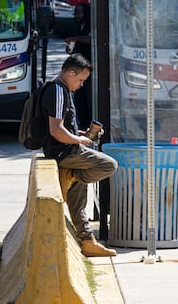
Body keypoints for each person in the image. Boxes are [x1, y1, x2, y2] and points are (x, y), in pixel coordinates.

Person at [40, 53, 118, 257]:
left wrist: (81, 133)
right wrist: (79, 141)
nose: (81, 84)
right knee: (109, 165)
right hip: (64, 152)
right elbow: (56, 130)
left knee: (78, 198)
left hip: (69, 150)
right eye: (81, 79)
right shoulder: (58, 91)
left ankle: (87, 240)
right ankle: (71, 175)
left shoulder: (63, 91)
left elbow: (63, 127)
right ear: (71, 72)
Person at [64, 3, 92, 128]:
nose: (77, 16)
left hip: (88, 63)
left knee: (87, 94)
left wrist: (76, 38)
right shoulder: (76, 25)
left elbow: (91, 38)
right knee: (78, 94)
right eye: (76, 13)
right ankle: (82, 120)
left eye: (80, 13)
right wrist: (70, 46)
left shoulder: (90, 25)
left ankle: (88, 119)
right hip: (77, 64)